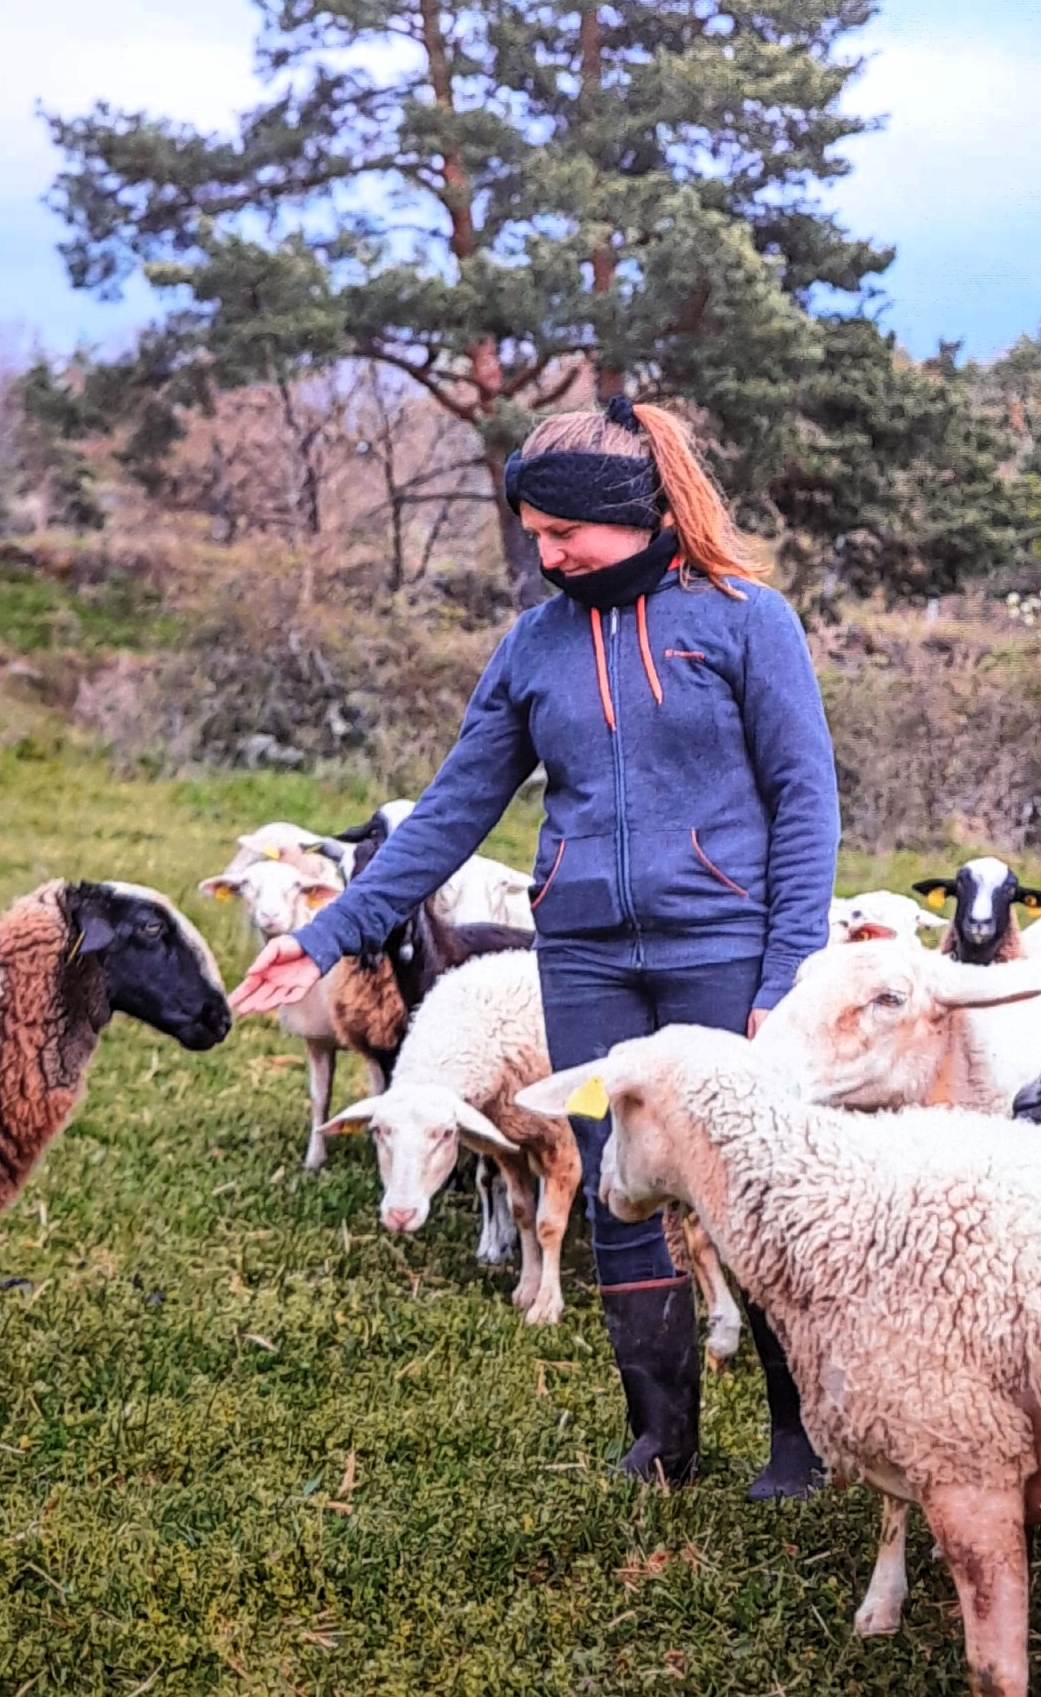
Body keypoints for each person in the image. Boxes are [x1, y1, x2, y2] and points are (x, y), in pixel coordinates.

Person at [231, 396, 840, 1495]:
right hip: (588, 960)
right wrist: (327, 935)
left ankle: (800, 1443)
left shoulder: (750, 620)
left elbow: (805, 801)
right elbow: (453, 811)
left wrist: (788, 972)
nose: (547, 556)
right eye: (534, 536)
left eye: (565, 534)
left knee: (751, 1186)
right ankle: (662, 1441)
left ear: (641, 510)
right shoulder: (533, 644)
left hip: (725, 946)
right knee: (615, 1183)